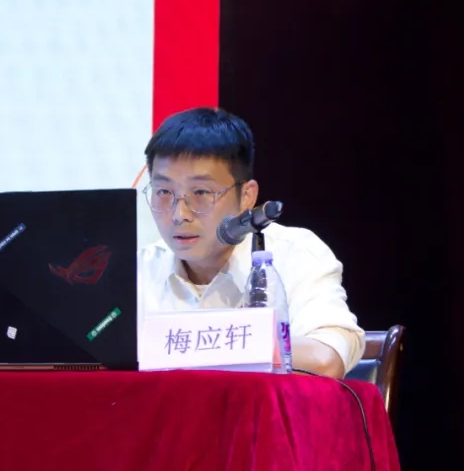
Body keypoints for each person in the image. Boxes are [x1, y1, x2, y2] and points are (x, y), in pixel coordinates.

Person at [138, 107, 366, 378]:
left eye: (201, 192)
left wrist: (194, 347)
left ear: (247, 196)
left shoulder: (295, 254)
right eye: (164, 191)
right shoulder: (137, 270)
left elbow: (325, 359)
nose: (179, 214)